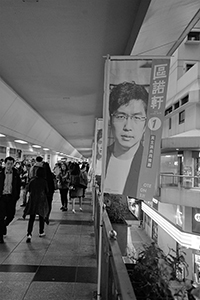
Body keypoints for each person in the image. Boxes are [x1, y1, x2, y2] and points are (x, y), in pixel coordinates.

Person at [104, 81, 148, 198]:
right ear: (111, 120)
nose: (128, 127)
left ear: (146, 123)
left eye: (137, 118)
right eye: (121, 117)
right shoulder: (101, 157)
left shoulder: (148, 165)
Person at [23, 167, 49, 243]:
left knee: (32, 217)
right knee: (41, 215)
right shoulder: (44, 181)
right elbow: (47, 190)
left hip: (33, 200)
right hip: (41, 200)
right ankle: (41, 231)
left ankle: (29, 234)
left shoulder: (32, 181)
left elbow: (28, 189)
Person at [0, 156, 21, 243]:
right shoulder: (0, 173)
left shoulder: (16, 173)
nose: (9, 165)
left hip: (11, 198)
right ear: (5, 163)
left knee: (11, 215)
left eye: (11, 164)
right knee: (0, 216)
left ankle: (4, 225)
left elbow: (18, 185)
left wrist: (17, 196)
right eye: (8, 163)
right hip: (2, 197)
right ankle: (0, 235)